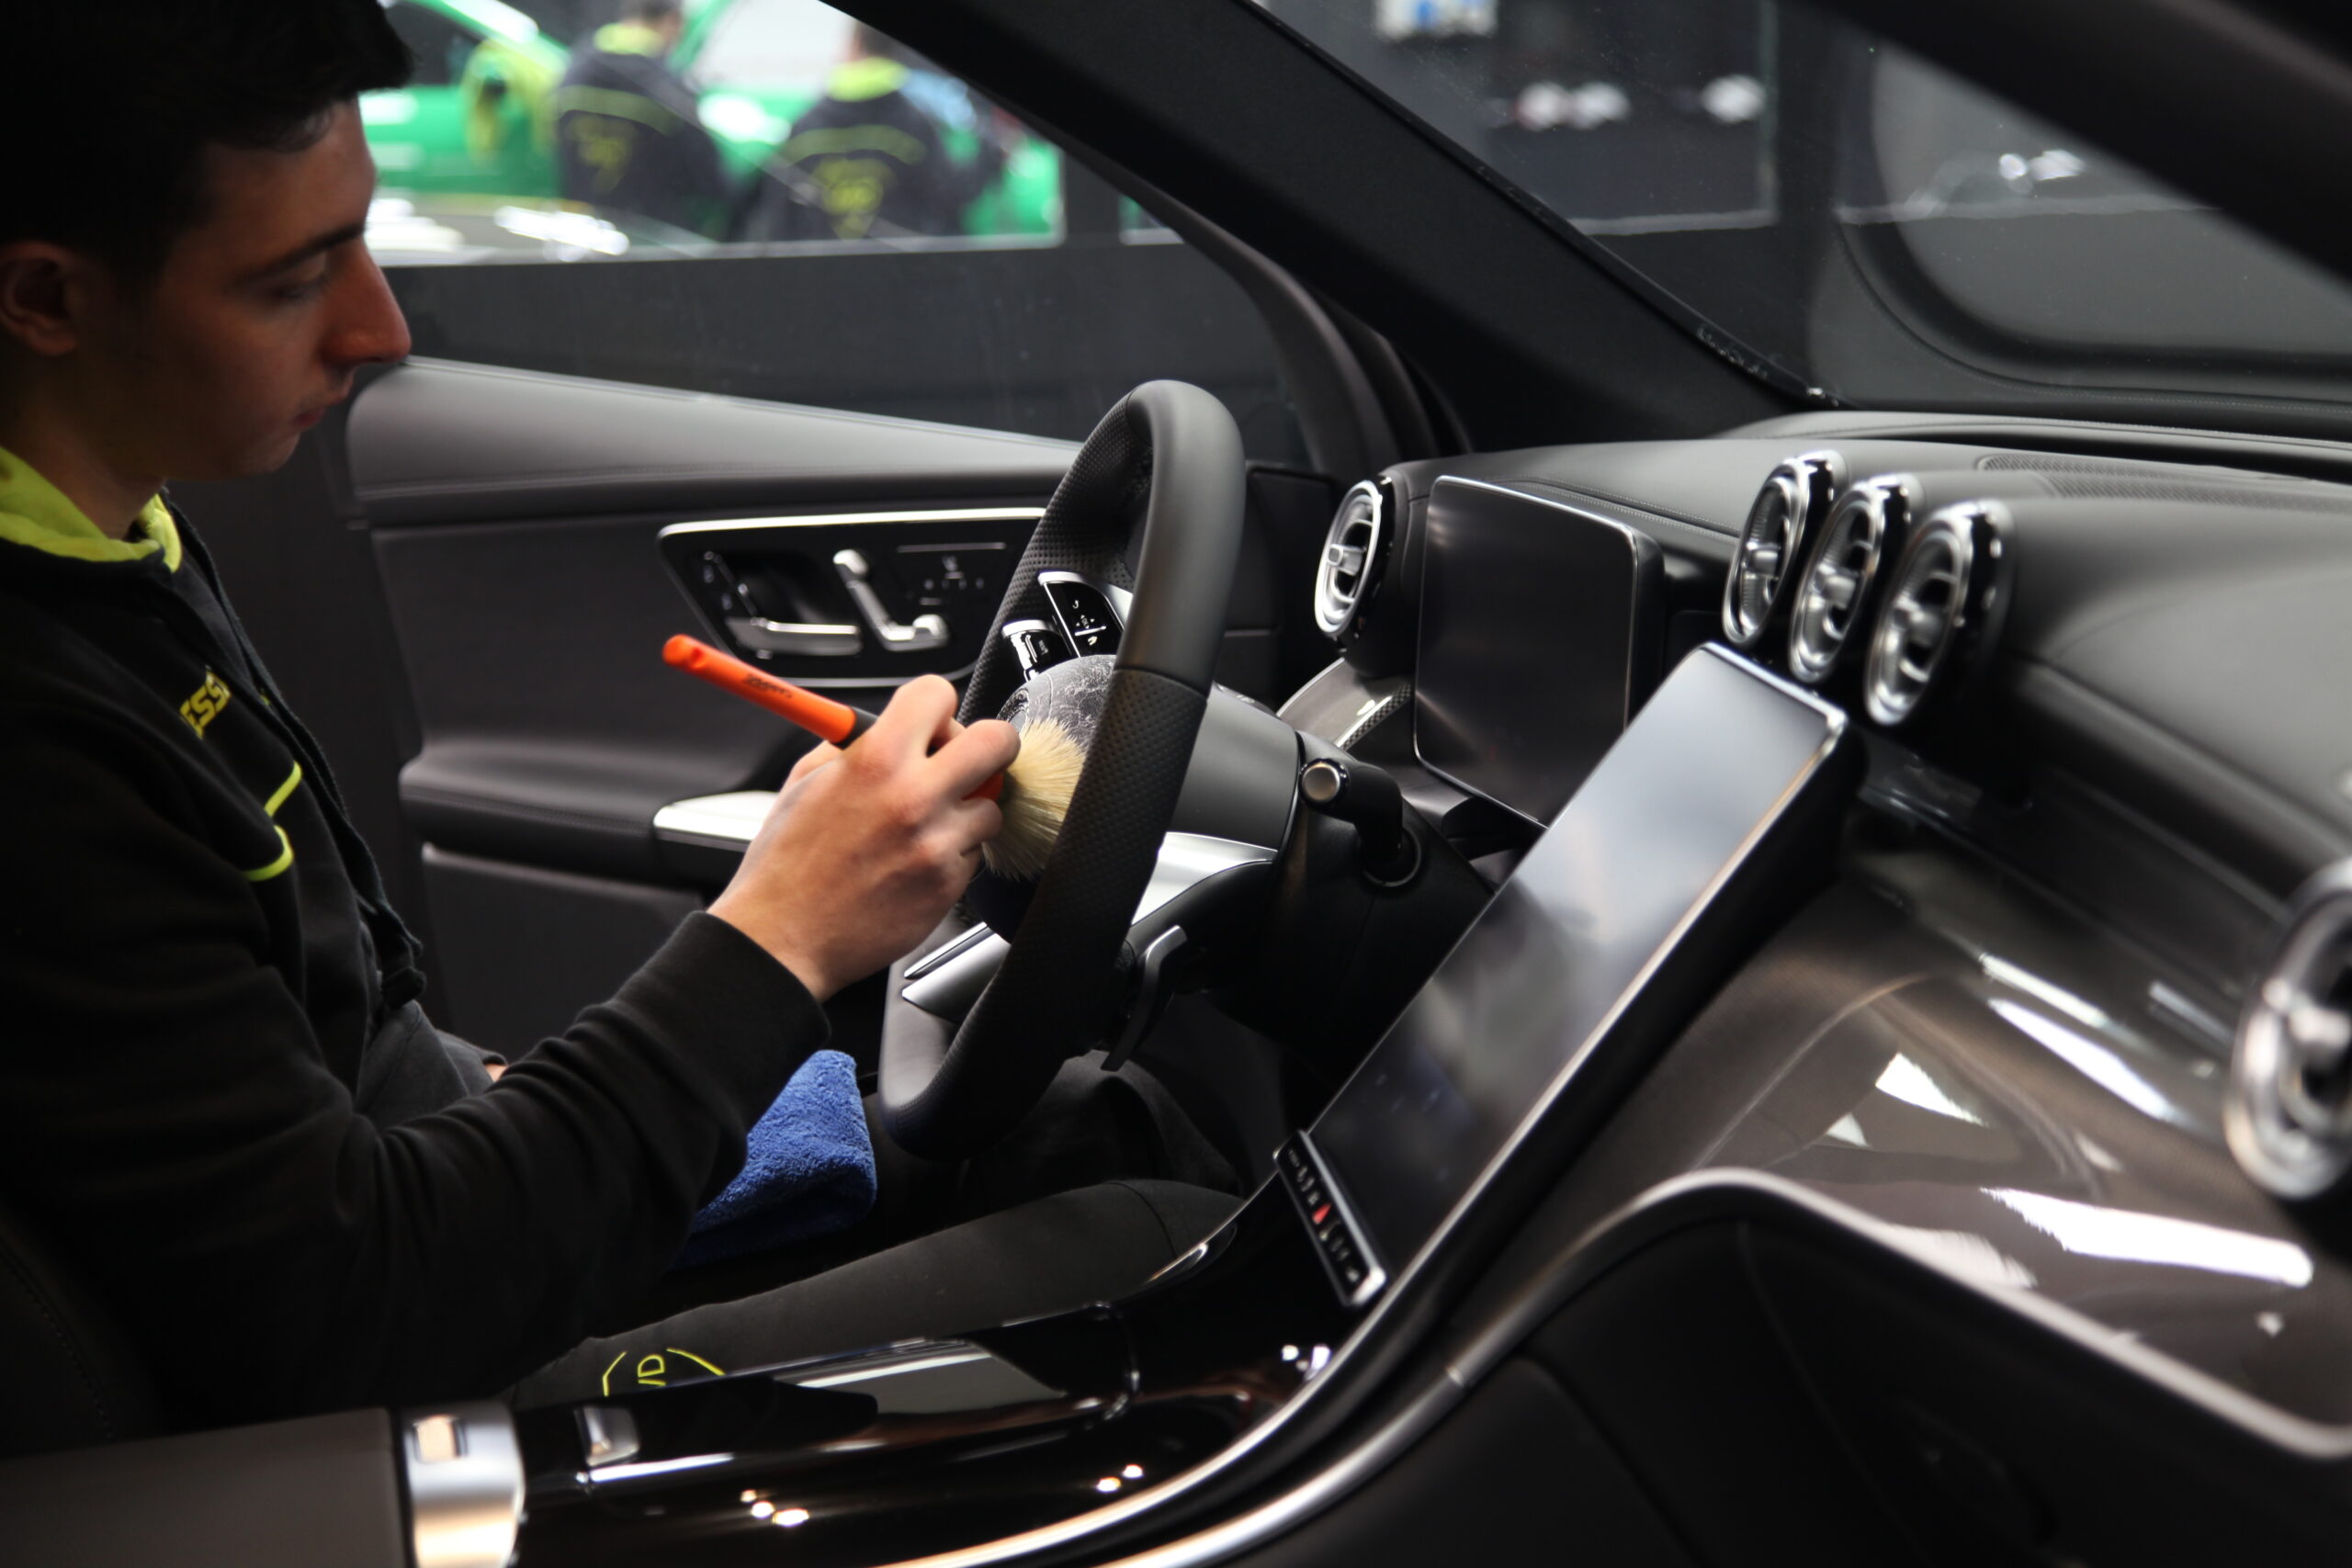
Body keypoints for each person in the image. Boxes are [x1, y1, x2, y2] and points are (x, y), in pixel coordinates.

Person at [0, 0, 1229, 1435]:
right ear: (48, 299)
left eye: (361, 242)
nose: (378, 328)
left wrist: (526, 1090)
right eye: (291, 281)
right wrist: (779, 932)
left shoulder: (112, 532)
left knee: (1081, 1124)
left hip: (425, 1202)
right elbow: (348, 1312)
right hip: (379, 1411)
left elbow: (329, 1039)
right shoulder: (40, 738)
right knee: (1164, 1236)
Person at [737, 24, 1009, 243]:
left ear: (854, 44)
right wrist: (992, 153)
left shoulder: (805, 125)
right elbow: (952, 197)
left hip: (820, 286)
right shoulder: (917, 124)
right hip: (900, 283)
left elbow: (777, 221)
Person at [553, 0, 732, 237]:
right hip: (651, 238)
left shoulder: (571, 73)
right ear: (672, 21)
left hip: (585, 234)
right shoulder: (667, 88)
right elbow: (711, 180)